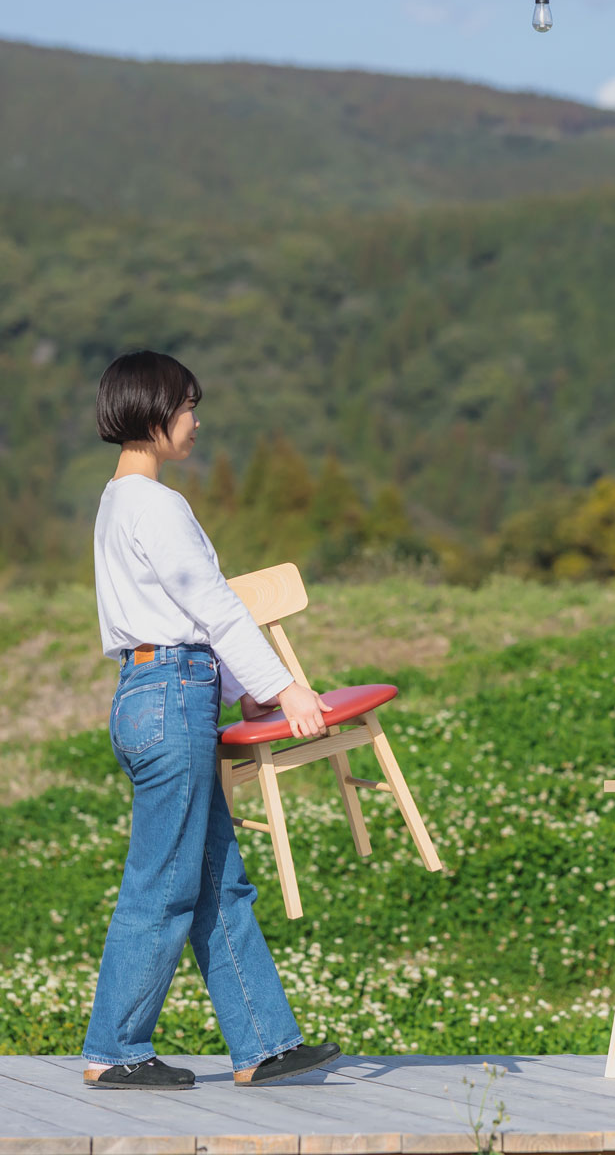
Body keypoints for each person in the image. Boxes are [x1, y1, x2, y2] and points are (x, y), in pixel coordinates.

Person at [82, 349, 340, 1090]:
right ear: (155, 415)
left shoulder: (115, 503)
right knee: (163, 883)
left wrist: (241, 689)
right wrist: (284, 686)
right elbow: (214, 607)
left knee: (216, 877)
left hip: (152, 693)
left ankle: (262, 1042)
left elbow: (186, 620)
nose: (197, 422)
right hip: (171, 695)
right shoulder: (156, 505)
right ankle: (115, 1049)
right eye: (190, 408)